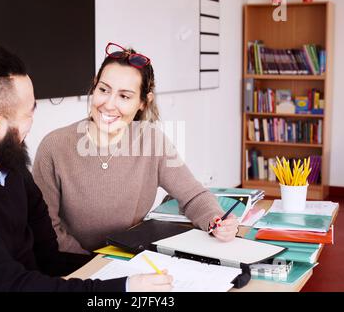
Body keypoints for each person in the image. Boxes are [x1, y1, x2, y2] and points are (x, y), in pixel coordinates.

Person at [0, 32, 172, 292]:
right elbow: (8, 285)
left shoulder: (10, 164)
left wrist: (125, 270)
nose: (32, 123)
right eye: (29, 113)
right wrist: (123, 290)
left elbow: (49, 258)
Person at [32, 42, 239, 255]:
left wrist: (216, 220)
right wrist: (94, 267)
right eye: (104, 90)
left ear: (143, 102)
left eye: (124, 96)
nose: (109, 104)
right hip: (73, 269)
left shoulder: (152, 141)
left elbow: (193, 196)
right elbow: (47, 230)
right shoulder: (54, 147)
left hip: (130, 258)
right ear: (94, 87)